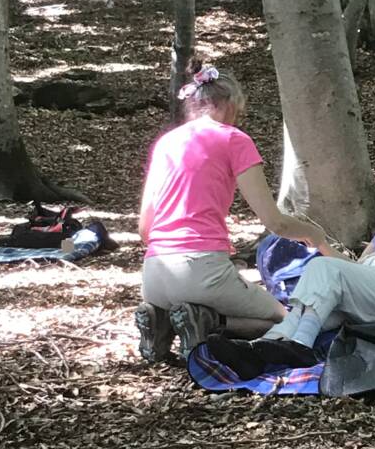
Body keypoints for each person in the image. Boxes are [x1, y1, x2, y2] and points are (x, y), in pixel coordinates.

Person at [207, 140, 375, 379]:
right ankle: (256, 353)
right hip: (370, 284)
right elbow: (356, 268)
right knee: (307, 312)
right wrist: (320, 244)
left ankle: (300, 347)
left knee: (321, 273)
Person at [136, 59, 330, 361]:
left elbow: (145, 228)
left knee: (205, 295)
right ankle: (210, 322)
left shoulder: (166, 143)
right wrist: (314, 234)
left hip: (153, 276)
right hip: (201, 269)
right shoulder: (234, 140)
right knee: (283, 318)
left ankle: (163, 323)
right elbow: (275, 222)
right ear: (227, 103)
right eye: (238, 111)